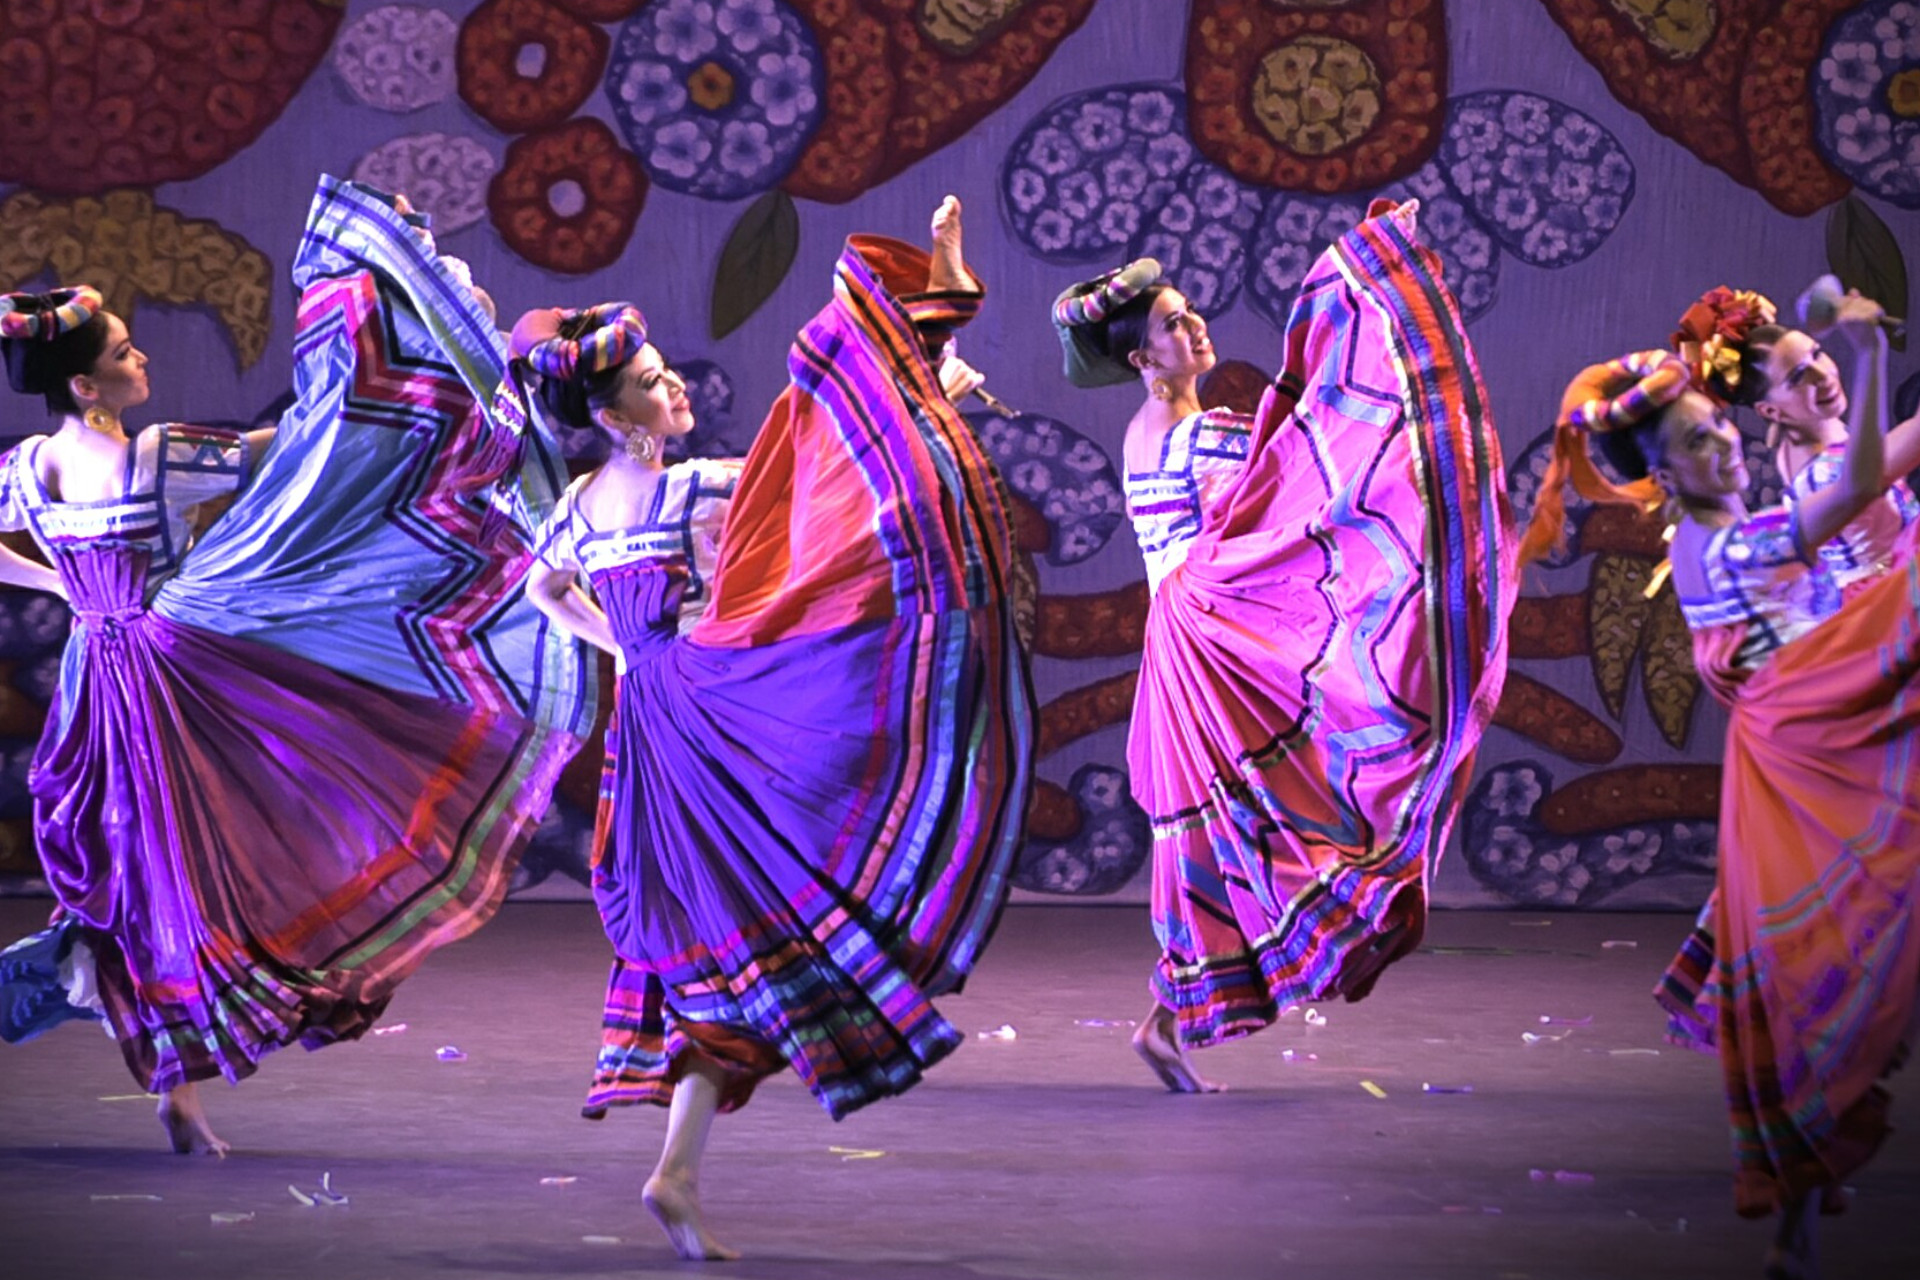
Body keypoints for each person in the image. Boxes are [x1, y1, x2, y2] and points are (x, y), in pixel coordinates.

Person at [0, 177, 586, 1156]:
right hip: (157, 674)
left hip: (98, 673)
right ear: (86, 386)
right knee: (180, 872)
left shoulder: (27, 466)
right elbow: (294, 454)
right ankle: (118, 1027)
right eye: (121, 353)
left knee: (146, 872)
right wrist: (368, 380)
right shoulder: (148, 456)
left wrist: (66, 586)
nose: (140, 355)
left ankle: (160, 1070)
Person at [517, 197, 1032, 1259]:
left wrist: (624, 649)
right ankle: (680, 1161)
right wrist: (936, 389)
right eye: (655, 381)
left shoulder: (577, 505)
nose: (675, 386)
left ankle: (678, 1164)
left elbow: (541, 587)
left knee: (721, 940)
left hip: (651, 721)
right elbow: (838, 482)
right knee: (791, 877)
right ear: (620, 416)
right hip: (707, 712)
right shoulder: (693, 487)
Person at [1049, 201, 1514, 1092]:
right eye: (1172, 325)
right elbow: (1277, 510)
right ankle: (1175, 1010)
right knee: (1260, 809)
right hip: (1208, 642)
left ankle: (1165, 1018)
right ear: (1144, 360)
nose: (1194, 326)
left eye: (1189, 313)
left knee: (1212, 831)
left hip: (1182, 639)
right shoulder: (1200, 432)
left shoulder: (1144, 434)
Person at [1521, 299, 1915, 1279]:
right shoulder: (1730, 546)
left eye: (1721, 423)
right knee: (1843, 962)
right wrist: (1867, 357)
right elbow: (1863, 477)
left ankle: (1800, 1213)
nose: (1726, 445)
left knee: (1827, 969)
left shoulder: (1730, 530)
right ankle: (1799, 1202)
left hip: (1811, 746)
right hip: (1818, 753)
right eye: (1701, 440)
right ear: (1668, 469)